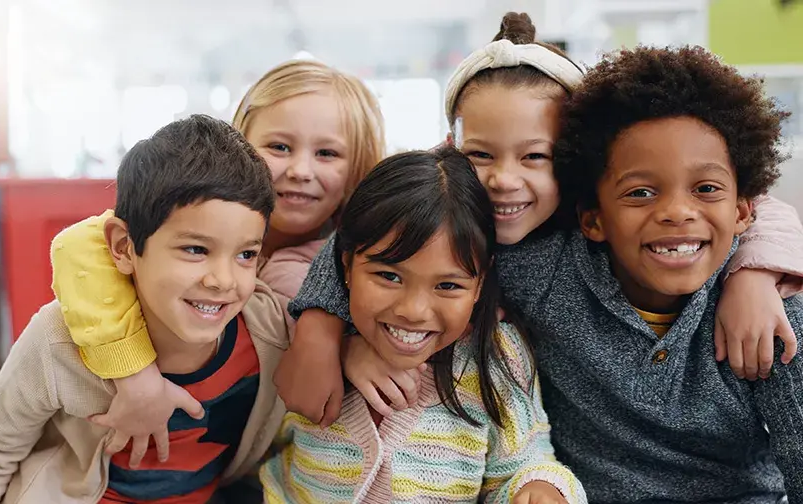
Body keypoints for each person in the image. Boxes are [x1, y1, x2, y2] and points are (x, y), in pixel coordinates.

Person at [287, 44, 803, 502]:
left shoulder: (772, 313)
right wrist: (322, 330)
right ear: (593, 214)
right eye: (640, 192)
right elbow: (387, 227)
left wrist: (753, 274)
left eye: (535, 155)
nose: (504, 179)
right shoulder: (535, 263)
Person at [46, 59, 386, 464]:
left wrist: (342, 345)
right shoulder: (181, 217)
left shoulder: (355, 259)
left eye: (327, 153)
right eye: (279, 147)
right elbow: (80, 245)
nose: (300, 170)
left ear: (358, 168)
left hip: (260, 465)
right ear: (240, 145)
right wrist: (134, 373)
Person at [0, 114, 289, 504]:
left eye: (246, 254)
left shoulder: (269, 334)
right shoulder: (57, 341)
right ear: (123, 247)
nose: (223, 280)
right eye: (195, 249)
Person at [260, 148, 586, 503]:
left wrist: (538, 488)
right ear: (347, 265)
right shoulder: (311, 343)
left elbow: (526, 462)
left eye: (448, 285)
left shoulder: (499, 357)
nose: (413, 311)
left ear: (480, 284)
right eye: (388, 276)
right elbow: (264, 447)